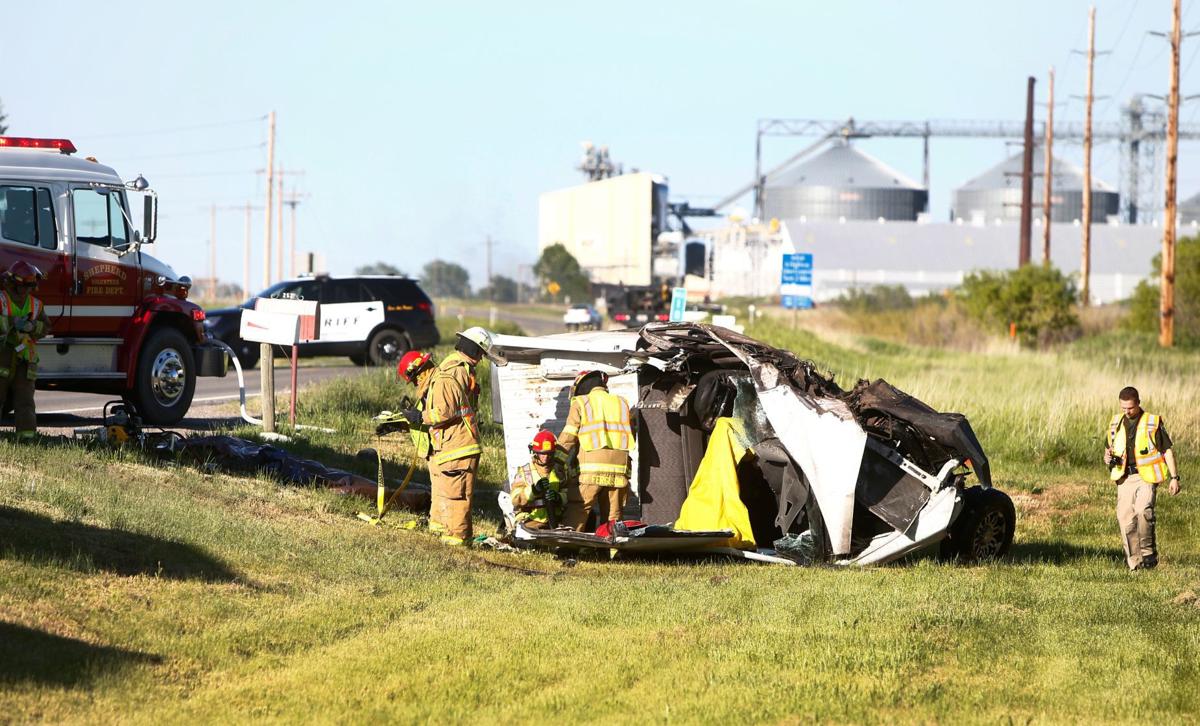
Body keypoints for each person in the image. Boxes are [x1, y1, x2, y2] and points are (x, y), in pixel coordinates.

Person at [403, 327, 505, 546]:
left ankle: (456, 539)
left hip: (458, 445)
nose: (480, 358)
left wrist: (419, 417)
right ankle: (440, 528)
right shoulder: (459, 370)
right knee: (444, 490)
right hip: (452, 444)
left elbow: (444, 412)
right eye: (480, 353)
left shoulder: (449, 374)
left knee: (456, 496)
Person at [1104, 386, 1182, 571]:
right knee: (1125, 519)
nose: (1127, 411)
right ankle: (1135, 564)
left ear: (1138, 403)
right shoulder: (1115, 423)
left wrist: (1174, 478)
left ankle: (1148, 553)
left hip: (1146, 476)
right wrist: (1107, 458)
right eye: (1123, 408)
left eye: (1130, 408)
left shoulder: (1152, 422)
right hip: (1124, 478)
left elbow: (1167, 451)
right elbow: (1108, 450)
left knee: (1142, 510)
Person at [556, 370, 635, 531]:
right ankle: (612, 552)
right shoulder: (621, 403)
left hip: (590, 471)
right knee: (614, 516)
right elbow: (631, 433)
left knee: (579, 508)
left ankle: (568, 548)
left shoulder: (581, 402)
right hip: (619, 471)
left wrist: (556, 459)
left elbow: (569, 435)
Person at [0, 262, 50, 441]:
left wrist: (33, 326)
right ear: (12, 283)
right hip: (3, 357)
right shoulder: (1, 300)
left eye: (28, 286)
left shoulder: (36, 305)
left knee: (25, 402)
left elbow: (46, 327)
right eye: (21, 286)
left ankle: (26, 438)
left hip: (25, 361)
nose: (24, 291)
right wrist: (12, 322)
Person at [509, 430, 568, 530]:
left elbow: (569, 493)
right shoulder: (525, 471)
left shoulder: (560, 471)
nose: (546, 457)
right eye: (542, 454)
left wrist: (558, 497)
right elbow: (515, 499)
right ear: (535, 452)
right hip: (531, 519)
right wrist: (534, 490)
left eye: (549, 454)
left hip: (556, 519)